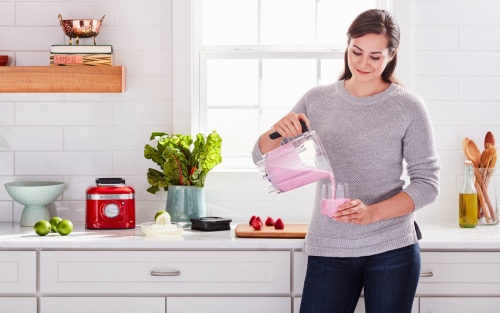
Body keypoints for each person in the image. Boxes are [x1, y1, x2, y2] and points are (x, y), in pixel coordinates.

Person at [251, 9, 440, 313]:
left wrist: (372, 213)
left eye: (375, 56)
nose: (364, 63)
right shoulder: (317, 100)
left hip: (393, 248)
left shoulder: (409, 106)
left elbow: (427, 185)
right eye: (357, 51)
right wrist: (275, 132)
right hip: (330, 246)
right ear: (348, 46)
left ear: (392, 55)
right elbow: (261, 156)